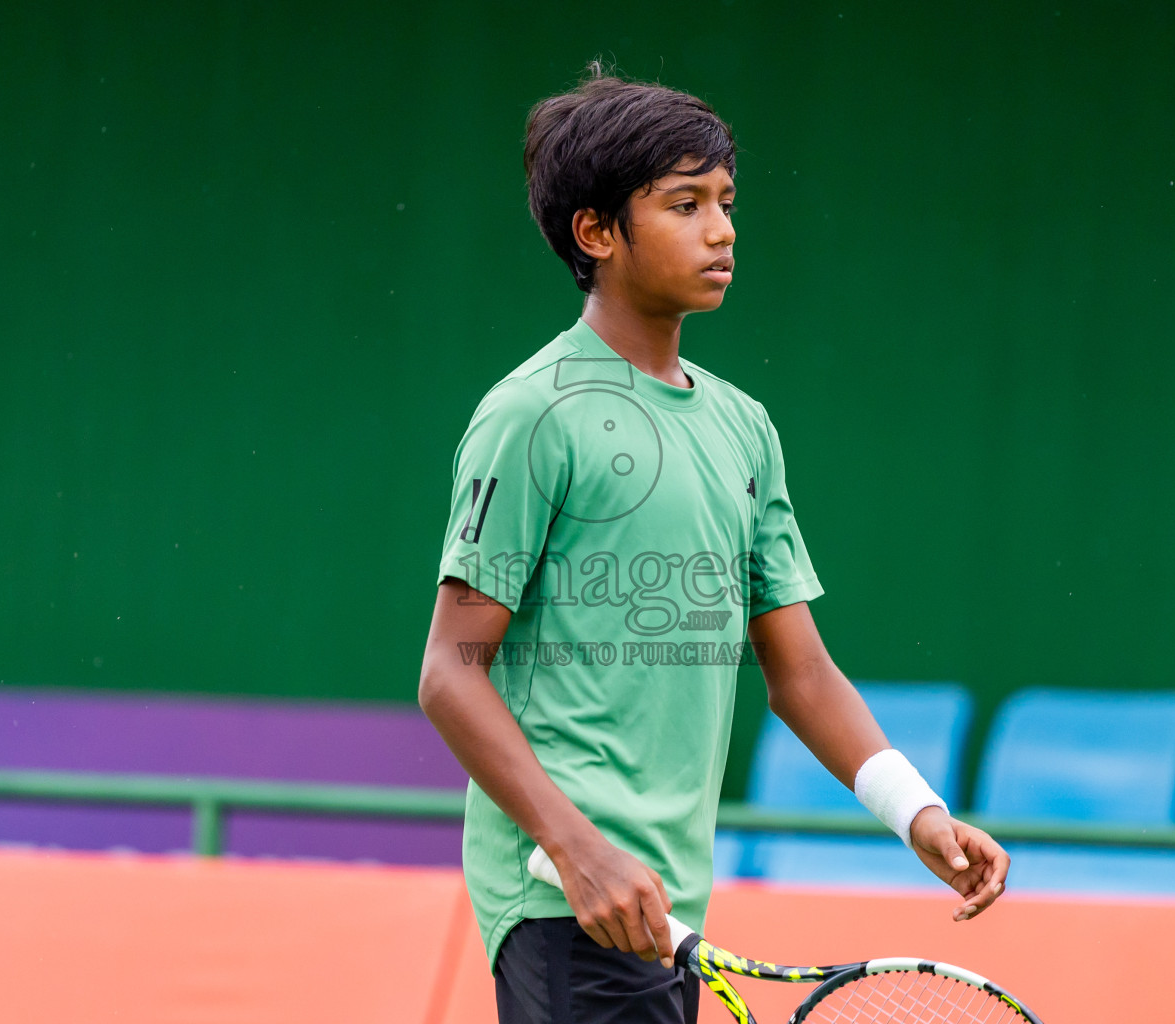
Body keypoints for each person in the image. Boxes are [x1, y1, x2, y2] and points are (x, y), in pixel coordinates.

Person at [418, 62, 1009, 1024]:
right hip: (566, 904)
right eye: (684, 204)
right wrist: (577, 848)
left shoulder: (745, 428)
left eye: (726, 202)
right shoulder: (532, 414)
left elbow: (802, 675)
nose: (723, 229)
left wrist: (919, 815)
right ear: (597, 233)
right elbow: (452, 671)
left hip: (669, 917)